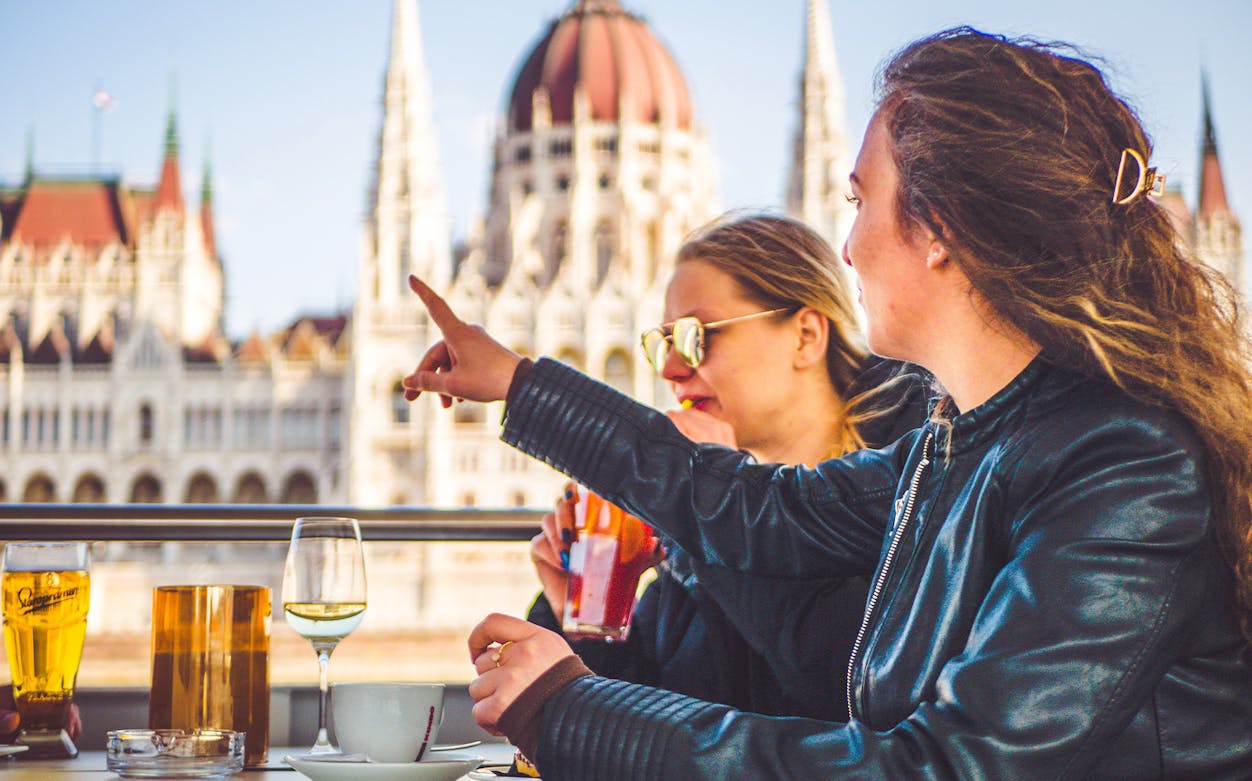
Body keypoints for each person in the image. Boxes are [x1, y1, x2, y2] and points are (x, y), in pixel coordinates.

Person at [404, 27, 1252, 780]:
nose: (843, 245)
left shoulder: (1129, 465)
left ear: (943, 229)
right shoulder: (954, 445)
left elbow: (943, 766)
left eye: (859, 201)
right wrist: (519, 384)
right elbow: (751, 508)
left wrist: (571, 710)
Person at [525, 214, 926, 720]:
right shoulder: (689, 526)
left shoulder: (914, 479)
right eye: (662, 344)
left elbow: (849, 691)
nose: (672, 369)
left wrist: (707, 492)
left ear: (805, 336)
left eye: (697, 336)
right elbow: (664, 720)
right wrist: (590, 630)